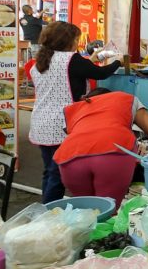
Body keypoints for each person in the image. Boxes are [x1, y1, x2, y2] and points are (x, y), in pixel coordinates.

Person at [29, 22, 122, 203]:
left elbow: (76, 71)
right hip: (63, 125)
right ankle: (50, 214)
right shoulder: (71, 59)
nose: (77, 43)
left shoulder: (40, 62)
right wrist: (119, 60)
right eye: (76, 39)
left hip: (41, 122)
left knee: (49, 171)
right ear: (67, 41)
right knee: (58, 174)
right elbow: (100, 73)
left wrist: (91, 60)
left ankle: (45, 208)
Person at [53, 88, 148, 209]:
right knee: (108, 211)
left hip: (70, 158)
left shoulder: (73, 109)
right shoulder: (127, 99)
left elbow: (79, 134)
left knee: (84, 213)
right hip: (112, 153)